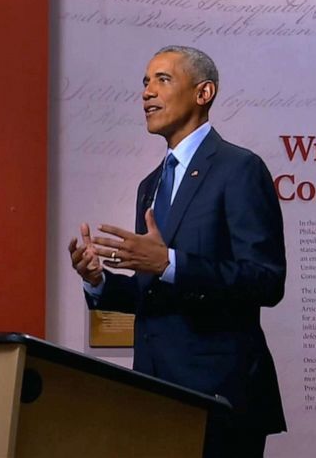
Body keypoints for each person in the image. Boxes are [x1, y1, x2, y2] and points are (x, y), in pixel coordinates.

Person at [67, 45, 287, 457]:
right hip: (154, 395)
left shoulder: (239, 169)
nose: (147, 92)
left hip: (220, 398)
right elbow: (153, 294)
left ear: (204, 93)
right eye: (145, 82)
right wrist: (98, 283)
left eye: (162, 80)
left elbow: (267, 280)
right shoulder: (149, 185)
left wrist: (169, 263)